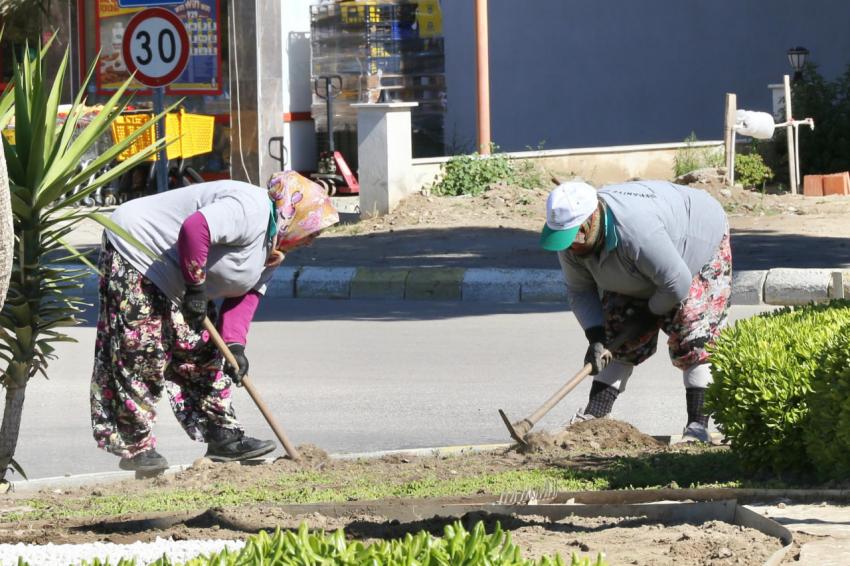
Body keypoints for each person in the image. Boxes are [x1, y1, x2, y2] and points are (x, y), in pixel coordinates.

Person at [90, 171, 339, 472]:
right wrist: (196, 287)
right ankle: (137, 448)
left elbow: (247, 294)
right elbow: (196, 227)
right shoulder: (251, 207)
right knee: (141, 350)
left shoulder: (273, 247)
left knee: (203, 351)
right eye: (314, 232)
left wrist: (235, 346)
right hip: (137, 246)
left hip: (182, 276)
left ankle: (223, 437)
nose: (311, 241)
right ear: (297, 215)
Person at [540, 180, 731, 442]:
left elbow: (676, 283)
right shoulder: (570, 243)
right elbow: (579, 291)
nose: (569, 247)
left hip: (695, 239)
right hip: (642, 260)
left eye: (572, 238)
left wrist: (651, 312)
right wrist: (596, 336)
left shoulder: (638, 230)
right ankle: (594, 417)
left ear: (589, 222)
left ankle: (697, 427)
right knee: (617, 329)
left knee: (693, 329)